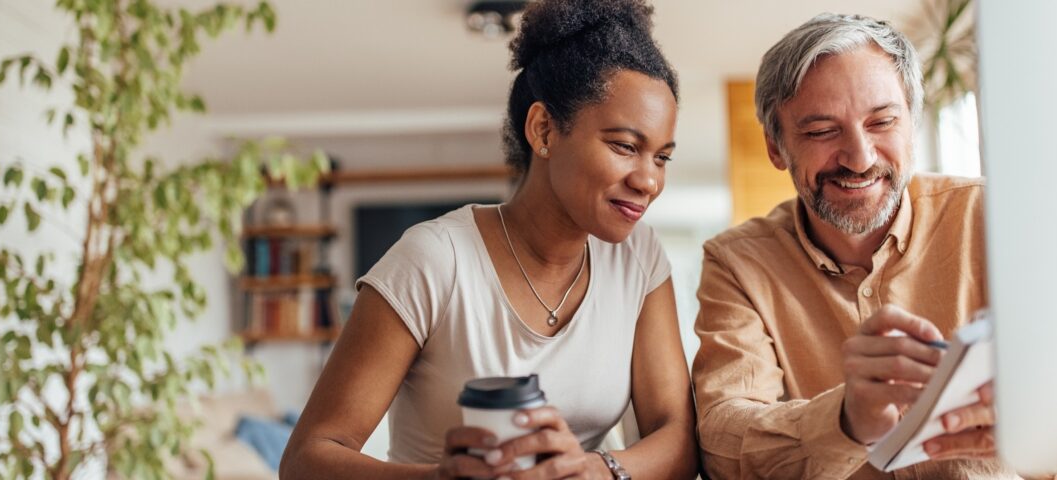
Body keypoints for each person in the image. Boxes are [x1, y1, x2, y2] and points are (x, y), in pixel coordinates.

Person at [280, 1, 698, 479]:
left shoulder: (638, 258)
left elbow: (680, 441)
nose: (648, 181)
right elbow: (304, 461)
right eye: (625, 146)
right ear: (543, 129)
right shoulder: (433, 261)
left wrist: (591, 471)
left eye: (661, 157)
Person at [691, 13, 1008, 479]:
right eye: (821, 131)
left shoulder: (995, 216)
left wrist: (1035, 428)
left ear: (913, 125)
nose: (859, 158)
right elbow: (722, 445)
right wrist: (844, 420)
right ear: (776, 148)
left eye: (881, 122)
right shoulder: (737, 263)